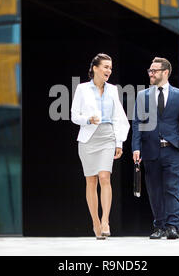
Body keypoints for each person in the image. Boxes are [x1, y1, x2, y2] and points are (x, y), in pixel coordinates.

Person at [132, 57, 179, 239]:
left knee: (172, 189)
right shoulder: (142, 96)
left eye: (154, 71)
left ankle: (172, 226)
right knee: (155, 190)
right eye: (150, 71)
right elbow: (137, 124)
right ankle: (159, 226)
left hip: (173, 150)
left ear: (165, 72)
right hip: (150, 150)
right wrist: (136, 148)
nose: (151, 73)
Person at [71, 53, 130, 239]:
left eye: (110, 68)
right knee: (91, 181)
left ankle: (105, 221)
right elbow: (74, 115)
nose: (108, 71)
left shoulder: (113, 90)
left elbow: (119, 117)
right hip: (88, 138)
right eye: (105, 67)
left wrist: (119, 141)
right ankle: (95, 222)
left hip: (107, 136)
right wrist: (87, 119)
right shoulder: (82, 89)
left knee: (105, 177)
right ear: (95, 68)